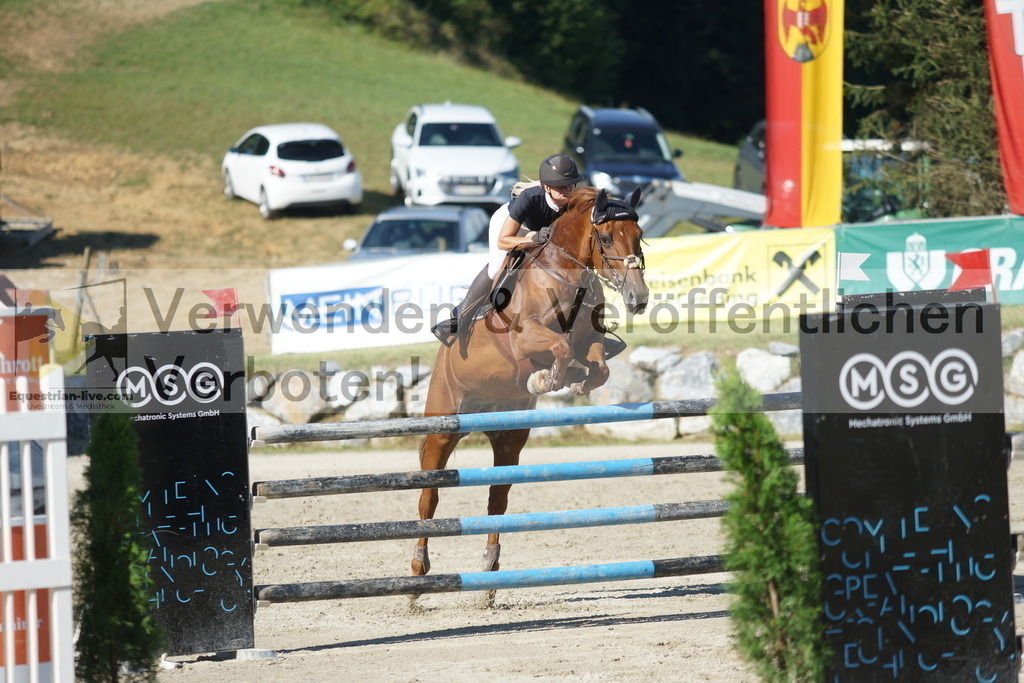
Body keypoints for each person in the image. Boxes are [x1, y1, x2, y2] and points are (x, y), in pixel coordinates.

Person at [431, 154, 584, 345]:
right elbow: (503, 241)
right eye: (561, 187)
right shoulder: (530, 198)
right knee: (496, 267)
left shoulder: (576, 202)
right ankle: (458, 318)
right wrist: (533, 239)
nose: (568, 191)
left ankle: (592, 330)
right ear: (546, 187)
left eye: (571, 185)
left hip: (541, 234)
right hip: (512, 228)